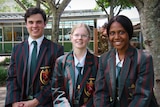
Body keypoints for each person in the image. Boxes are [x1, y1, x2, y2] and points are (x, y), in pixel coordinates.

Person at [94, 15, 158, 107]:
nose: (116, 37)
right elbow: (101, 93)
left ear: (129, 33)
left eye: (121, 32)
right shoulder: (104, 59)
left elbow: (142, 96)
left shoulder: (143, 59)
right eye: (112, 33)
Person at [5, 7, 64, 107]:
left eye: (38, 22)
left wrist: (36, 101)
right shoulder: (17, 50)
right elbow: (12, 78)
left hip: (44, 103)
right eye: (31, 22)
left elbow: (56, 81)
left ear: (44, 24)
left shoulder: (56, 50)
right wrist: (14, 102)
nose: (34, 26)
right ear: (26, 24)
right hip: (20, 103)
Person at [51, 23, 99, 107]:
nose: (80, 38)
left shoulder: (98, 63)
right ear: (71, 37)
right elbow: (57, 89)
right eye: (76, 35)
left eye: (84, 35)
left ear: (89, 38)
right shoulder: (61, 62)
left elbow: (99, 91)